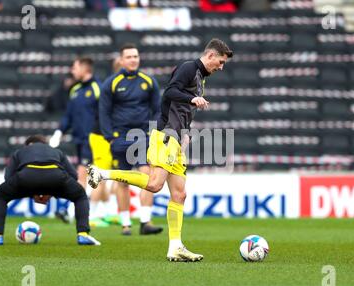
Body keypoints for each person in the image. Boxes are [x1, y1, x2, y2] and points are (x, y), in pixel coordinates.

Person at [88, 38, 233, 261]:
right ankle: (102, 174)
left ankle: (175, 246)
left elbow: (183, 110)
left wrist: (185, 135)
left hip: (176, 138)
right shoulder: (189, 68)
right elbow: (170, 93)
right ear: (211, 55)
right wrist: (192, 98)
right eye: (221, 61)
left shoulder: (200, 77)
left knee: (179, 194)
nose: (221, 67)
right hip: (165, 135)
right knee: (154, 184)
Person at [0, 135, 100, 246]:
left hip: (27, 176)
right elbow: (73, 175)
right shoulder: (56, 151)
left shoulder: (20, 152)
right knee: (80, 196)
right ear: (45, 144)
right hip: (55, 176)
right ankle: (83, 235)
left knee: (0, 195)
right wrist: (51, 191)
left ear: (27, 145)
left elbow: (8, 178)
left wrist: (31, 191)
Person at [99, 43, 163, 236]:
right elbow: (103, 112)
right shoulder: (111, 83)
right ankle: (126, 223)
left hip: (143, 136)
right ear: (121, 60)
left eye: (135, 56)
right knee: (122, 181)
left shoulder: (148, 81)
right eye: (129, 57)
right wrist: (109, 137)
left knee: (147, 177)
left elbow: (158, 109)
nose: (133, 59)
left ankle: (145, 221)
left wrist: (155, 133)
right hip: (120, 137)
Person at [49, 57, 114, 227]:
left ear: (85, 69)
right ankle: (108, 211)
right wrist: (59, 132)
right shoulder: (75, 89)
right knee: (91, 177)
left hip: (94, 140)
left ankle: (76, 213)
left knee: (87, 176)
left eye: (75, 67)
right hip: (78, 140)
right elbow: (68, 115)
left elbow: (106, 113)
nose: (72, 71)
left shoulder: (97, 88)